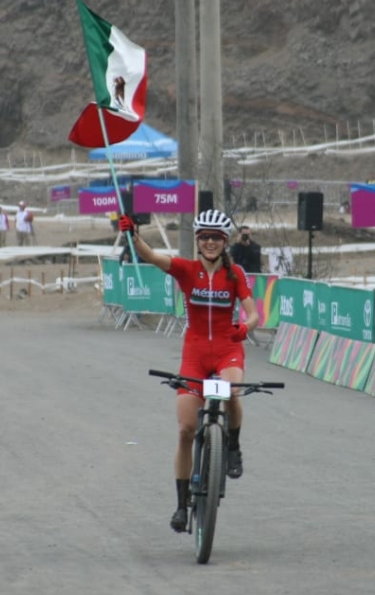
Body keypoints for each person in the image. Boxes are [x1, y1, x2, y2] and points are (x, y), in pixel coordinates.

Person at [118, 208, 259, 533]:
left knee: (232, 392)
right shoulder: (186, 270)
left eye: (216, 238)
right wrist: (133, 235)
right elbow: (152, 257)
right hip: (194, 354)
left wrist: (244, 328)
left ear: (225, 242)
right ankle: (182, 505)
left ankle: (233, 447)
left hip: (227, 350)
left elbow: (253, 313)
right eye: (205, 237)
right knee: (185, 430)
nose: (210, 242)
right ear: (197, 240)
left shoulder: (235, 273)